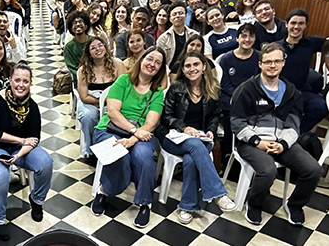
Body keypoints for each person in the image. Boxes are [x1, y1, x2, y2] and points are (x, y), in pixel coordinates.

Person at [230, 43, 322, 226]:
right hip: (250, 142)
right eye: (268, 62)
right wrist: (258, 141)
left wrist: (283, 144)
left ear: (283, 63)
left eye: (277, 61)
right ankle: (254, 204)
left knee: (314, 170)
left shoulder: (291, 92)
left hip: (282, 141)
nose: (273, 65)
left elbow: (294, 124)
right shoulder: (247, 89)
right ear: (260, 64)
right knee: (268, 170)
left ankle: (295, 205)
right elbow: (237, 122)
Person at [90, 47, 166, 228]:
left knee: (144, 157)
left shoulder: (157, 92)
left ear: (160, 69)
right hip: (109, 129)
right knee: (120, 155)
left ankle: (145, 202)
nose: (152, 64)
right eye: (150, 59)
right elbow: (113, 112)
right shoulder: (123, 80)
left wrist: (133, 139)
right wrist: (134, 130)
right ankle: (104, 190)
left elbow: (151, 124)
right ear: (141, 60)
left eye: (157, 62)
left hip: (140, 135)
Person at [157, 51, 236, 224]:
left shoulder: (212, 88)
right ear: (183, 69)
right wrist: (184, 127)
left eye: (196, 64)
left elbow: (216, 115)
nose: (192, 69)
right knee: (194, 145)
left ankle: (187, 206)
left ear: (203, 67)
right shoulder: (176, 87)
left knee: (191, 159)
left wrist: (211, 131)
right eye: (187, 65)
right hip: (173, 136)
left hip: (201, 137)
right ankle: (218, 193)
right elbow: (166, 117)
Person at [0, 62, 53, 241]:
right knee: (0, 175)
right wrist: (20, 140)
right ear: (9, 80)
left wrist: (18, 155)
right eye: (17, 80)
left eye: (25, 81)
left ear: (30, 83)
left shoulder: (32, 107)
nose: (21, 84)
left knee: (46, 163)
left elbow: (34, 139)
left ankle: (36, 200)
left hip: (19, 149)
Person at [276, 9, 328, 133]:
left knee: (320, 107)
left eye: (301, 23)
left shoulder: (311, 43)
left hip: (300, 91)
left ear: (305, 25)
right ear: (286, 24)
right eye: (293, 23)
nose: (296, 27)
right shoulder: (277, 46)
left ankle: (298, 132)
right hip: (278, 92)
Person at [77, 36, 126, 157]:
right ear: (89, 53)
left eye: (100, 45)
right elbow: (84, 97)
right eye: (93, 48)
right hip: (91, 101)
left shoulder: (118, 64)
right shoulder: (83, 70)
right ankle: (90, 148)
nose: (98, 49)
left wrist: (111, 103)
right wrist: (101, 102)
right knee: (89, 116)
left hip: (114, 100)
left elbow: (125, 87)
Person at [218, 23, 260, 160]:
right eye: (244, 36)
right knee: (232, 113)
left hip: (252, 98)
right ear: (237, 38)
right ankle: (228, 154)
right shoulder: (226, 59)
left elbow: (260, 83)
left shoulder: (260, 58)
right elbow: (224, 85)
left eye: (251, 36)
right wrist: (240, 96)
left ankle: (250, 152)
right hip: (230, 98)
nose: (247, 39)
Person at [156, 1, 199, 68]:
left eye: (181, 13)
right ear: (170, 19)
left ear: (185, 16)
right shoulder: (163, 38)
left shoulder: (194, 35)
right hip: (171, 72)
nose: (178, 16)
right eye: (174, 14)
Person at [63, 11, 91, 80]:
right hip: (80, 79)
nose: (78, 25)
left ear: (86, 25)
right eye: (74, 23)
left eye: (81, 22)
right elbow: (72, 68)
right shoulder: (69, 47)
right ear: (71, 28)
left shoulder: (94, 41)